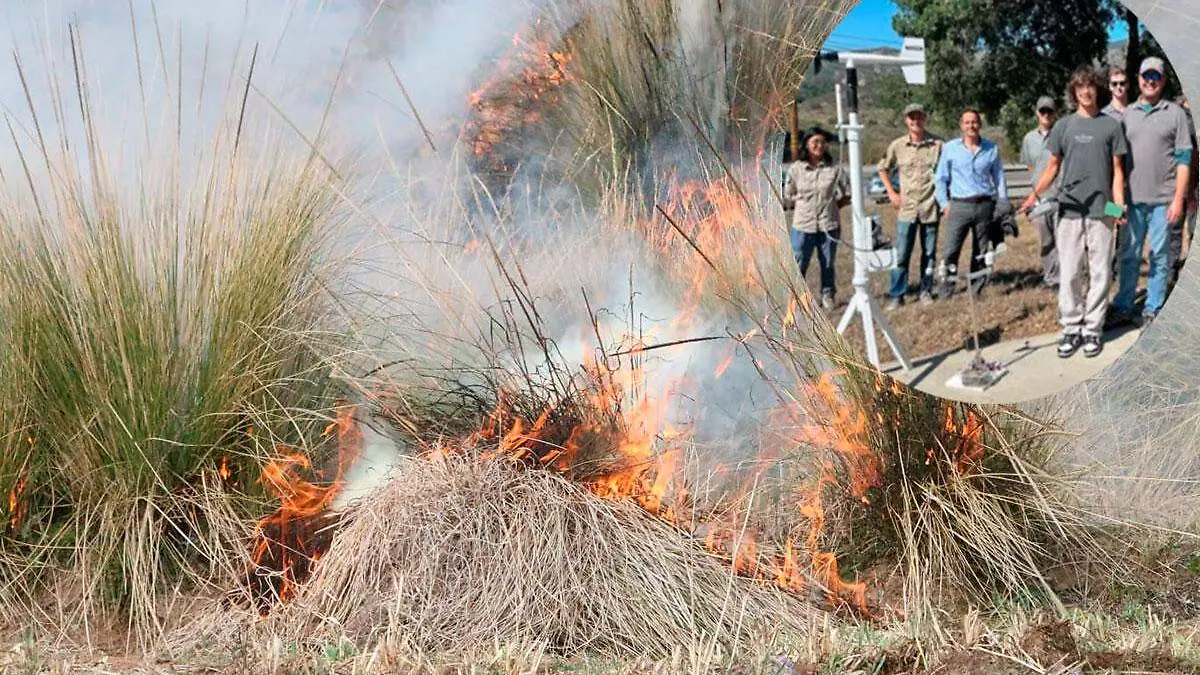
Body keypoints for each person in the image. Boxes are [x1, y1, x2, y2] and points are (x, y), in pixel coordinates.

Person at [1020, 66, 1127, 358]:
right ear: (1074, 92)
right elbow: (1052, 167)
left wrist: (1117, 206)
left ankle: (1093, 329)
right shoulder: (1063, 126)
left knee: (1101, 272)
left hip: (1102, 210)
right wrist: (1034, 195)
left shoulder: (1112, 126)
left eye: (1090, 85)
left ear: (1097, 89)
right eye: (1080, 86)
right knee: (1069, 272)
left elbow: (1118, 173)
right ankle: (1071, 327)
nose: (1086, 91)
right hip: (1068, 210)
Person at [1111, 57, 1193, 328]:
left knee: (1159, 255)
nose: (1150, 81)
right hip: (1132, 202)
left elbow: (1184, 159)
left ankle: (1153, 307)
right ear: (1139, 80)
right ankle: (1123, 304)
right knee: (1130, 254)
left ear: (1163, 81)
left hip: (1163, 202)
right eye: (1146, 76)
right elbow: (1117, 163)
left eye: (1155, 76)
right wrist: (1116, 203)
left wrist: (1179, 199)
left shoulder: (1176, 114)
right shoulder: (1128, 115)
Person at [933, 109, 1008, 298]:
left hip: (984, 205)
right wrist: (944, 204)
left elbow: (999, 177)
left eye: (974, 122)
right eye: (967, 123)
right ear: (961, 125)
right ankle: (946, 290)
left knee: (981, 250)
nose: (971, 126)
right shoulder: (950, 148)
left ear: (979, 124)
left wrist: (1003, 203)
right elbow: (940, 178)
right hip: (959, 206)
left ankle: (977, 289)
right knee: (951, 250)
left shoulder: (991, 148)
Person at [878, 103, 943, 310]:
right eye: (911, 117)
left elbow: (947, 172)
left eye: (919, 117)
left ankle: (926, 290)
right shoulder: (897, 146)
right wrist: (891, 192)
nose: (916, 121)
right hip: (907, 209)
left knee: (929, 253)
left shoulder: (938, 145)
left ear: (925, 119)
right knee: (902, 253)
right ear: (906, 120)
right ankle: (898, 294)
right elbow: (883, 168)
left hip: (930, 206)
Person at [783, 127, 850, 311]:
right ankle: (795, 298)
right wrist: (804, 204)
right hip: (803, 225)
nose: (819, 146)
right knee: (799, 261)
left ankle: (828, 295)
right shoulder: (796, 169)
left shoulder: (834, 169)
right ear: (807, 144)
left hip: (828, 224)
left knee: (827, 262)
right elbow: (788, 195)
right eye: (815, 142)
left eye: (822, 142)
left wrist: (833, 206)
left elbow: (847, 193)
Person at [1020, 96, 1061, 288]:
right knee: (1046, 241)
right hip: (1040, 198)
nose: (1046, 115)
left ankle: (1064, 278)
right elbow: (1030, 168)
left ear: (1055, 114)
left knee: (1063, 240)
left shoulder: (1061, 134)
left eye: (1049, 111)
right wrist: (1034, 193)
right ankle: (1051, 277)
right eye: (1042, 111)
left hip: (1059, 195)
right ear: (1037, 113)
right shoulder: (1029, 139)